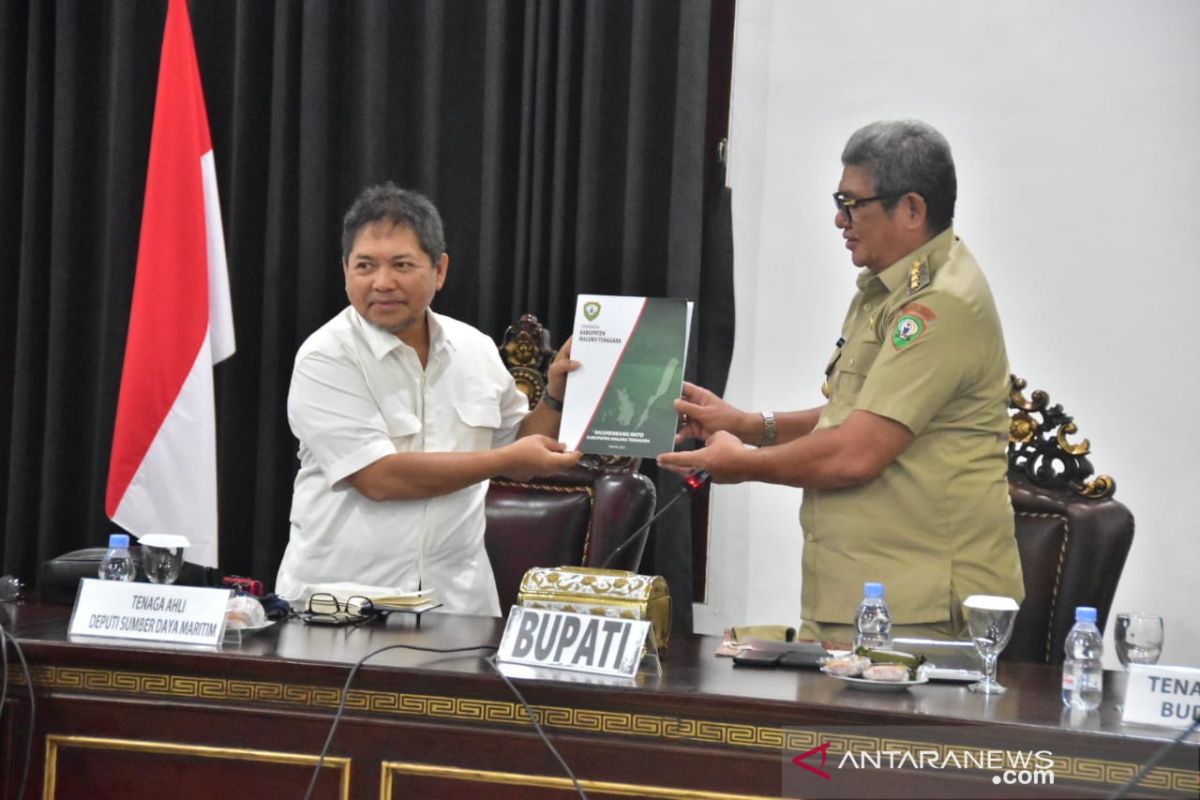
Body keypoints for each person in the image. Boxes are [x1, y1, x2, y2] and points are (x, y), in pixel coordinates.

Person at [658, 120, 1024, 642]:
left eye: (852, 203)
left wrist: (744, 466)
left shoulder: (941, 302)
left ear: (912, 209)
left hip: (916, 608)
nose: (838, 218)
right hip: (862, 594)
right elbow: (852, 416)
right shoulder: (886, 289)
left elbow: (856, 451)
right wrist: (746, 425)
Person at [275, 183, 581, 615]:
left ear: (440, 270)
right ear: (344, 271)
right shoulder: (325, 357)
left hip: (458, 604)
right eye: (365, 266)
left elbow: (520, 440)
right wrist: (505, 462)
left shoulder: (474, 348)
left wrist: (555, 397)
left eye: (402, 265)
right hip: (344, 605)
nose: (383, 283)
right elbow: (379, 478)